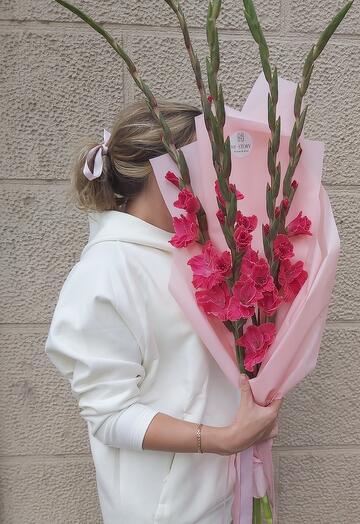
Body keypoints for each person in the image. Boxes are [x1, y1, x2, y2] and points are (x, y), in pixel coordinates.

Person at [44, 99, 282, 524]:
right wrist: (224, 439)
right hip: (165, 509)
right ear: (162, 171)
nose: (223, 176)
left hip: (224, 488)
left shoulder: (194, 251)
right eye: (211, 161)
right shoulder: (106, 273)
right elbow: (110, 414)